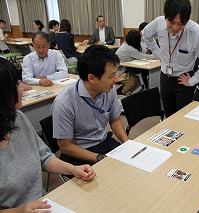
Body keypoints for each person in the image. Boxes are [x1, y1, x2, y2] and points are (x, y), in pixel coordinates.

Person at [0, 57, 96, 211]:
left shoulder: (16, 117)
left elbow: (43, 157)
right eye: (16, 84)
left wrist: (73, 169)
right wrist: (19, 210)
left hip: (43, 205)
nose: (22, 87)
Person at [52, 45, 129, 166]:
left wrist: (127, 143)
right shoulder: (64, 103)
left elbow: (115, 120)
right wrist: (99, 158)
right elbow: (66, 147)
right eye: (111, 76)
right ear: (92, 78)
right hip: (79, 153)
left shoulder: (110, 89)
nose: (116, 79)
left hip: (104, 142)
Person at [142, 0, 199, 117]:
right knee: (169, 115)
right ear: (165, 16)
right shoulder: (158, 23)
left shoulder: (197, 32)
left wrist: (192, 80)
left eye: (181, 24)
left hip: (183, 80)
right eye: (171, 22)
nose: (175, 27)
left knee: (182, 117)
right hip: (165, 77)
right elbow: (145, 35)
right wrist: (158, 53)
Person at [116, 30, 157, 95]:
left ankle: (134, 93)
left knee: (138, 81)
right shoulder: (129, 49)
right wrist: (157, 56)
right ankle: (121, 93)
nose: (140, 40)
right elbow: (143, 56)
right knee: (133, 82)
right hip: (118, 72)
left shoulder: (126, 44)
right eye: (139, 38)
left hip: (123, 69)